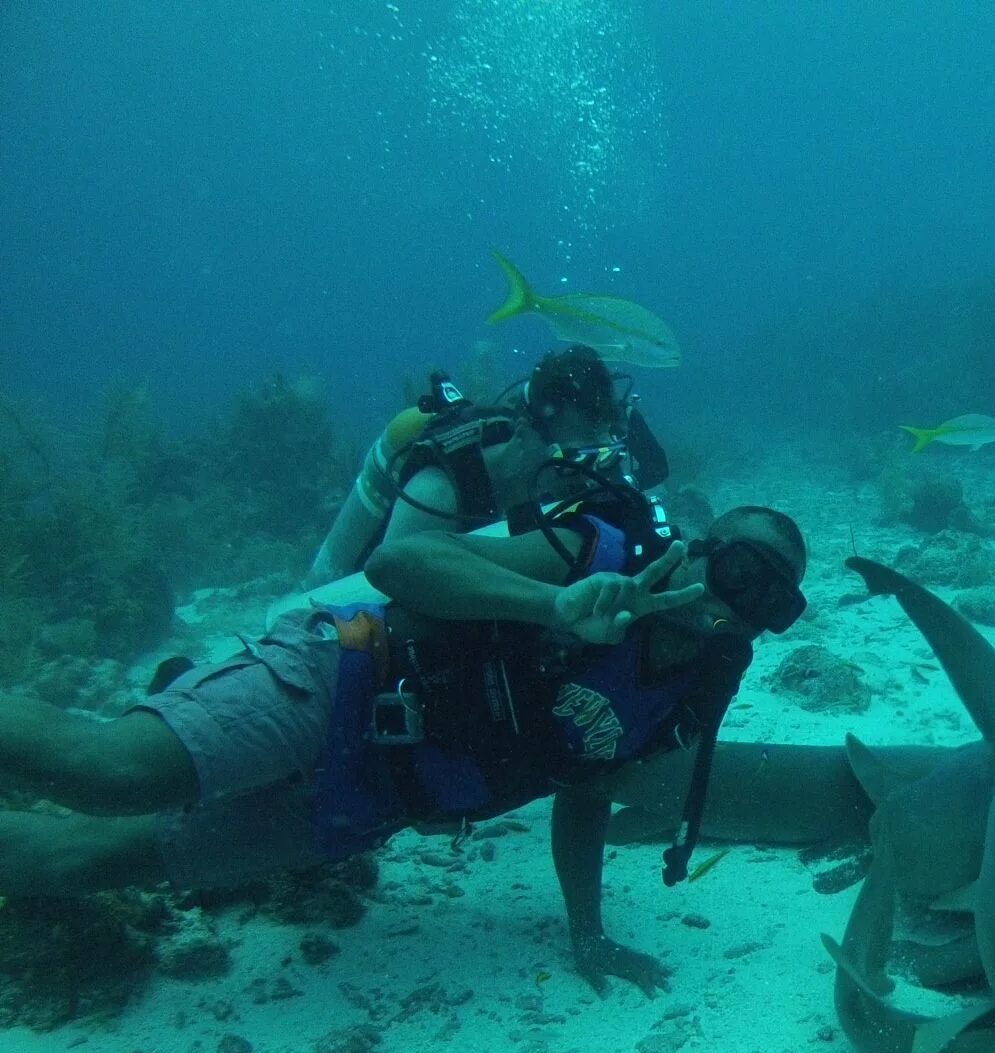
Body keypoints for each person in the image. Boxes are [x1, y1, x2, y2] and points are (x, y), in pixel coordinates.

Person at [0, 490, 808, 997]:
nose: (738, 605)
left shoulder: (690, 699)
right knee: (106, 774)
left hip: (373, 799)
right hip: (343, 679)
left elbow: (586, 792)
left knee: (73, 862)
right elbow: (400, 561)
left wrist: (586, 930)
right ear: (700, 549)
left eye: (771, 601)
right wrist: (549, 606)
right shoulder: (589, 552)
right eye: (740, 571)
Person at [303, 344, 670, 587]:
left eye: (605, 455)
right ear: (525, 433)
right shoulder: (440, 492)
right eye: (577, 460)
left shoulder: (567, 479)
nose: (589, 478)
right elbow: (394, 585)